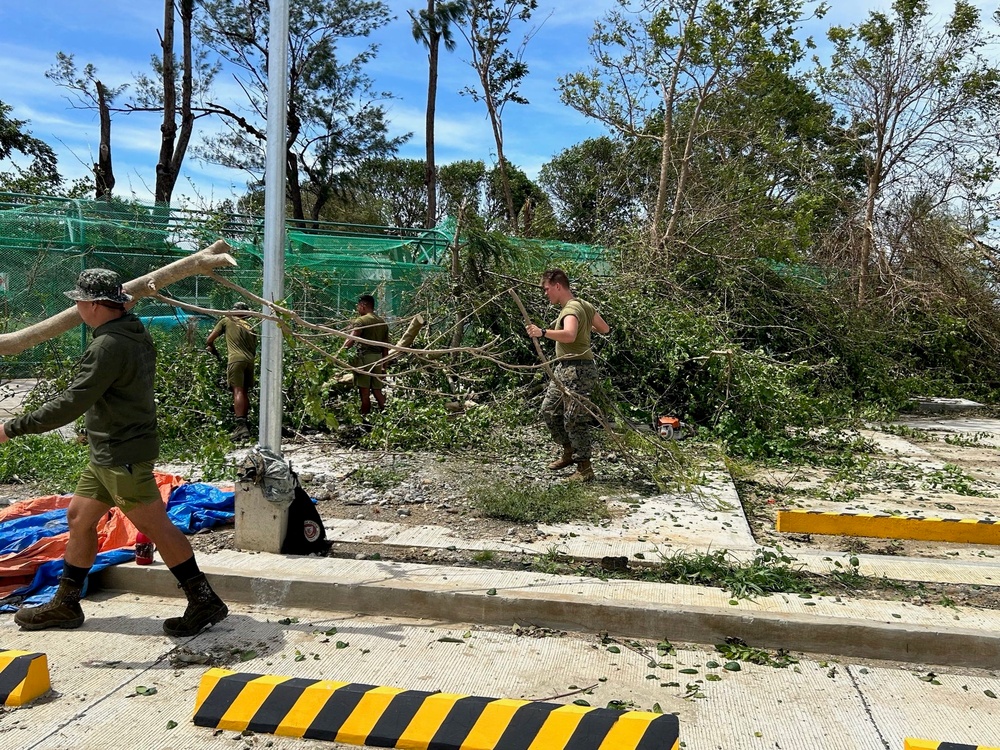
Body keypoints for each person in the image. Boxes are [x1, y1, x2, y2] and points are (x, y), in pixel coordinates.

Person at [0, 269, 228, 636]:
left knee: (155, 526)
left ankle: (203, 599)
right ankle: (66, 604)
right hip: (110, 451)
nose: (76, 308)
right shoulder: (132, 332)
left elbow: (73, 401)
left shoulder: (108, 345)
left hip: (122, 454)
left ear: (92, 306)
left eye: (79, 302)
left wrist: (10, 428)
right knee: (79, 518)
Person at [525, 269, 611, 482]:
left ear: (557, 286)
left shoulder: (571, 309)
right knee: (549, 410)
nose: (545, 294)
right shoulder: (583, 306)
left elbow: (570, 335)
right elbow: (604, 329)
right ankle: (569, 452)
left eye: (546, 289)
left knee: (573, 417)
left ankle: (584, 468)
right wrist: (585, 325)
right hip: (564, 369)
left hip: (578, 370)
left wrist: (542, 332)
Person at [205, 301, 258, 441]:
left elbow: (209, 339)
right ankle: (245, 427)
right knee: (244, 391)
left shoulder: (226, 320)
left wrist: (212, 348)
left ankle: (240, 426)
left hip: (235, 359)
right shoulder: (251, 327)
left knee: (238, 391)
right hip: (250, 360)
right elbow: (254, 349)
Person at [343, 293, 390, 417]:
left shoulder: (361, 321)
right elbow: (385, 346)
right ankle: (389, 416)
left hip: (365, 360)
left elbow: (350, 340)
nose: (357, 309)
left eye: (358, 306)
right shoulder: (382, 322)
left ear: (363, 306)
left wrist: (340, 352)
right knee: (377, 391)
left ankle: (365, 420)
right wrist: (385, 365)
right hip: (378, 359)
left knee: (364, 393)